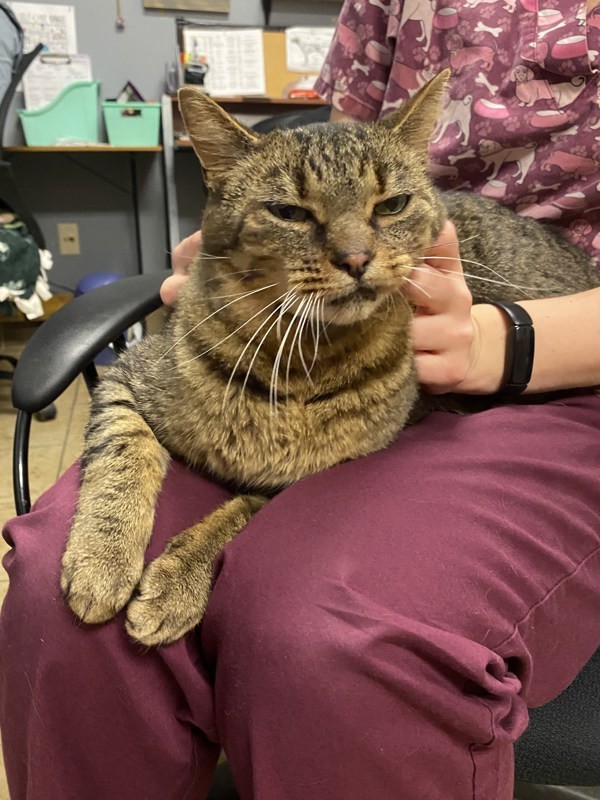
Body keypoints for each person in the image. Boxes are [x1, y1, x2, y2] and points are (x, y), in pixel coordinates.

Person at [1, 2, 600, 799]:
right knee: (57, 603)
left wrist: (502, 342)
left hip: (555, 364)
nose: (350, 252)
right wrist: (263, 223)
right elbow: (333, 154)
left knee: (324, 633)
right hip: (322, 320)